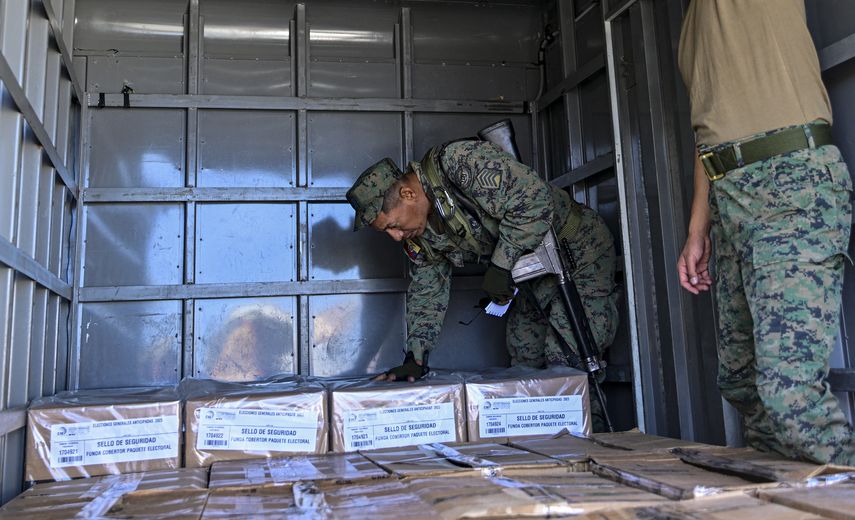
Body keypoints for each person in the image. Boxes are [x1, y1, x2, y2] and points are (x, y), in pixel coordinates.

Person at [676, 0, 854, 464]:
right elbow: (708, 134)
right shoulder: (691, 29)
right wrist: (699, 228)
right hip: (729, 197)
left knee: (791, 399)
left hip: (790, 184)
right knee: (741, 383)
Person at [346, 138, 619, 429]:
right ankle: (543, 455)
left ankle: (594, 446)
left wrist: (501, 265)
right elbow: (428, 287)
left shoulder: (459, 162)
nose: (397, 237)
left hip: (578, 253)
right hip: (532, 275)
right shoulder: (422, 231)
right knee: (524, 358)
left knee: (566, 364)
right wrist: (417, 355)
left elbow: (536, 200)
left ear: (408, 193)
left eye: (392, 226)